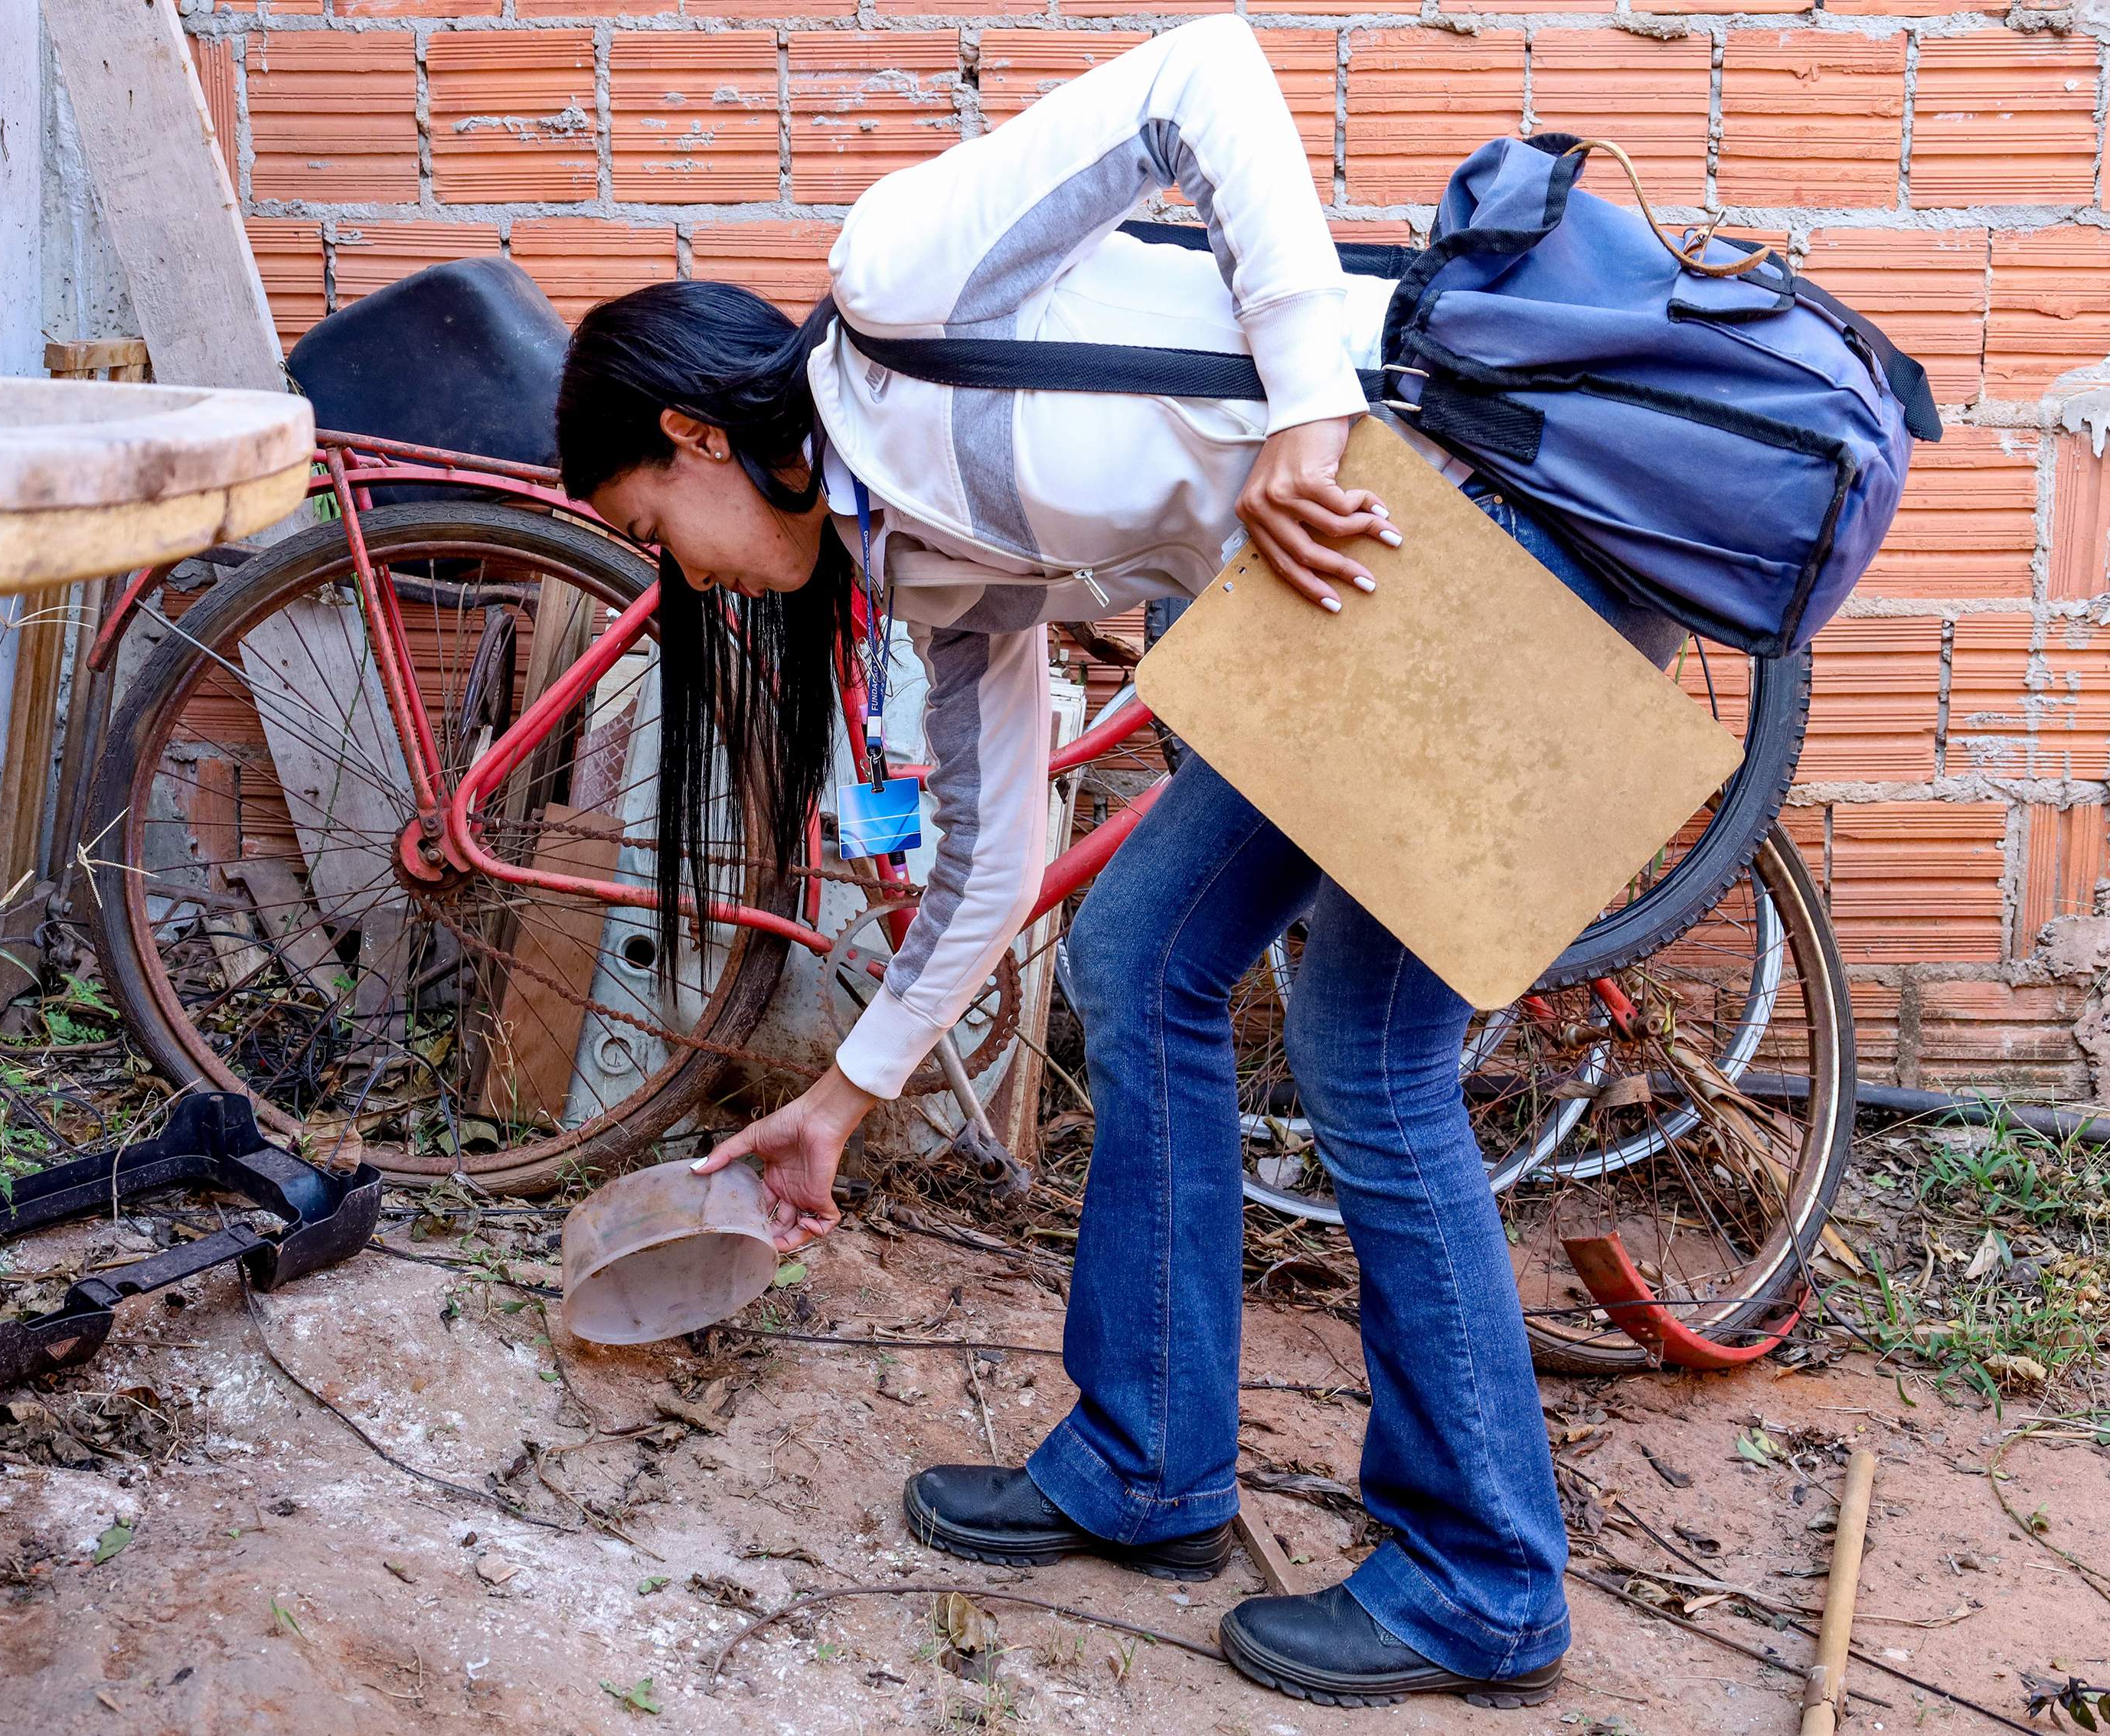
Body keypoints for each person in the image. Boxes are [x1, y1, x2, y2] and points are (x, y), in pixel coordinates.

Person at [554, 15, 1678, 1705]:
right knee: (1135, 956)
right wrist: (845, 1099)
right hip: (1381, 591)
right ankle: (1149, 1467)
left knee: (1367, 1054)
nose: (686, 581)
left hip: (1505, 520)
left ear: (696, 435)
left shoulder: (895, 297)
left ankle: (1482, 1584)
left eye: (650, 528)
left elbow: (1201, 78)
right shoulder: (923, 561)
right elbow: (994, 863)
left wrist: (1306, 406)